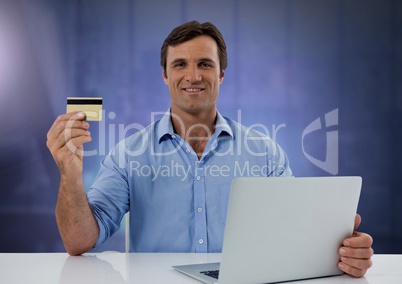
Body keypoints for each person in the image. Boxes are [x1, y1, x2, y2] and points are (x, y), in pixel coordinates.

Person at [46, 20, 373, 277]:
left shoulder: (266, 153)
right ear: (164, 75)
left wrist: (341, 253)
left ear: (221, 74)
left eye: (205, 63)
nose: (193, 75)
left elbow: (292, 236)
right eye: (180, 65)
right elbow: (79, 242)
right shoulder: (127, 154)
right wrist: (70, 176)